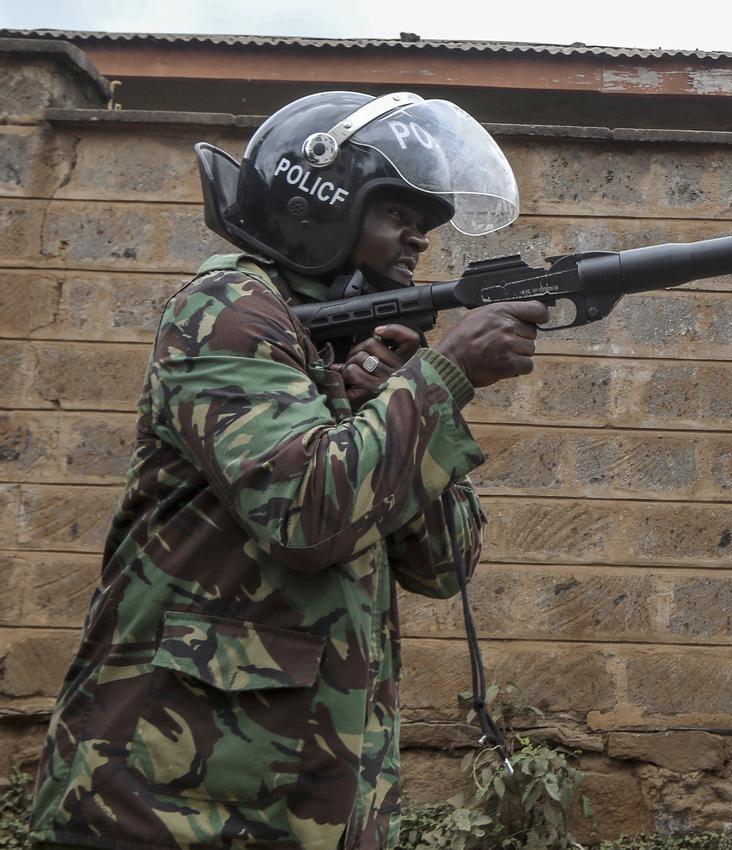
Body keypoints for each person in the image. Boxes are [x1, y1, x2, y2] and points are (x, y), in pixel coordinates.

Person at [28, 91, 547, 850]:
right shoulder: (231, 310)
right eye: (399, 215)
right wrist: (445, 376)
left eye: (426, 227)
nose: (418, 242)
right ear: (323, 201)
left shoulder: (356, 353)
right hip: (165, 808)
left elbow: (443, 567)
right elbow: (306, 516)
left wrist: (398, 399)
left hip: (310, 802)